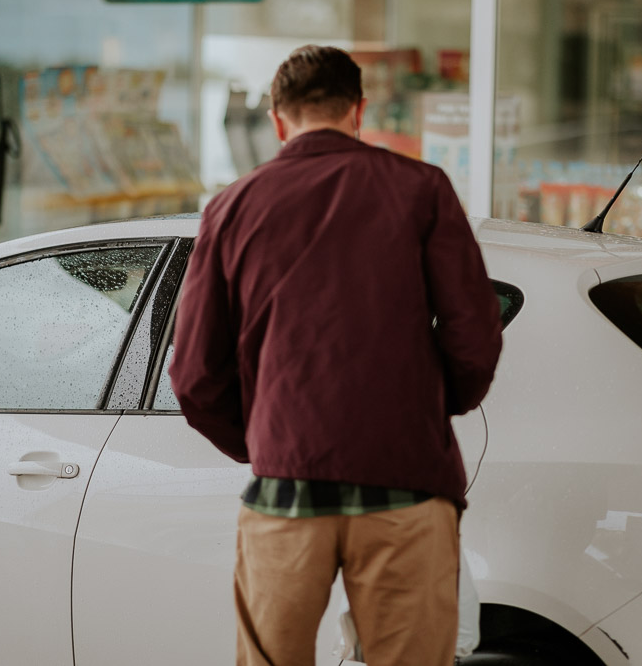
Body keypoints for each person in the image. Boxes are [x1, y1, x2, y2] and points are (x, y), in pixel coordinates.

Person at [169, 44, 503, 666]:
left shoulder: (232, 207)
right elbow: (475, 334)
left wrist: (268, 441)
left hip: (287, 487)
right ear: (358, 111)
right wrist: (428, 414)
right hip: (408, 480)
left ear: (277, 118)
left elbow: (192, 375)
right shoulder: (421, 189)